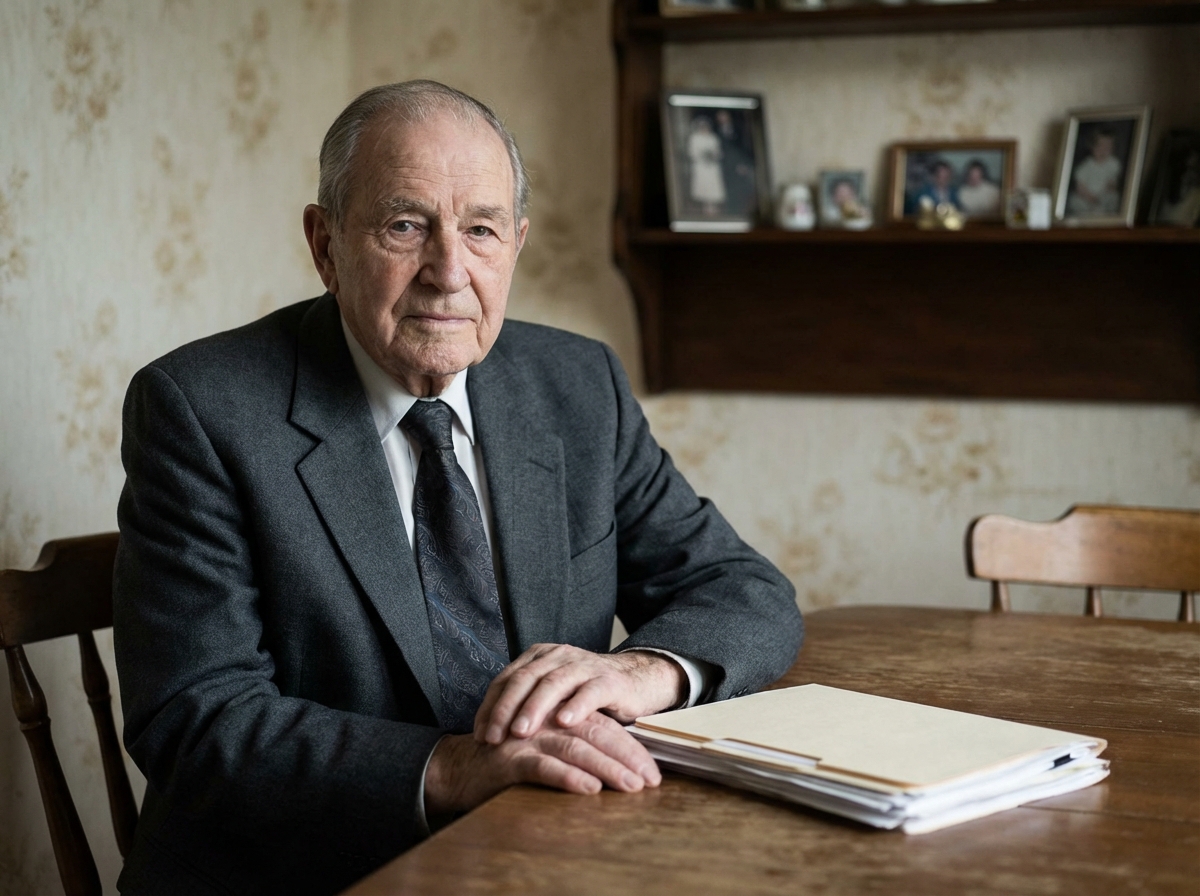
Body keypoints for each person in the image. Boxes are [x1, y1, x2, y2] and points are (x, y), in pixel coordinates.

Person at [112, 80, 802, 896]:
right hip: (298, 872)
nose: (449, 271)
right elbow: (196, 719)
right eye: (405, 226)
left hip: (542, 855)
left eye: (480, 230)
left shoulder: (578, 385)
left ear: (515, 243)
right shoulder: (202, 408)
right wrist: (458, 768)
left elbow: (742, 588)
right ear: (325, 244)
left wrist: (638, 671)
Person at [1066, 128, 1122, 217]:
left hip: (1103, 194)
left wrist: (1109, 189)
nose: (1103, 150)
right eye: (1100, 146)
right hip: (1087, 195)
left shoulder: (1113, 163)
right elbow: (1080, 187)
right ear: (1092, 147)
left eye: (1107, 147)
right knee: (1075, 202)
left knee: (1114, 198)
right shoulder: (1086, 166)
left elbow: (1112, 182)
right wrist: (1090, 198)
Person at [686, 115, 726, 215]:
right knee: (704, 186)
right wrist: (702, 155)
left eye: (706, 127)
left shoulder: (713, 138)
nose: (705, 129)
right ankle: (706, 206)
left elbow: (718, 151)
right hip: (701, 167)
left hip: (712, 167)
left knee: (713, 186)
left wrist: (714, 155)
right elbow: (692, 152)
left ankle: (713, 206)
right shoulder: (694, 138)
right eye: (703, 127)